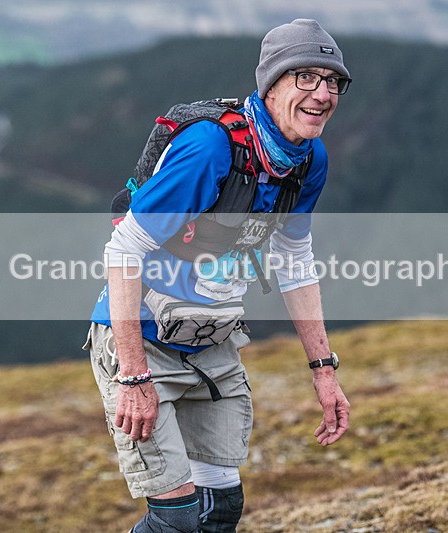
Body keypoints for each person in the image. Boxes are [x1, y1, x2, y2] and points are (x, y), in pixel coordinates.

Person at [84, 18, 352, 533]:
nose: (323, 94)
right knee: (178, 520)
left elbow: (295, 261)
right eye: (307, 78)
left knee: (220, 510)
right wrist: (134, 375)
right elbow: (123, 251)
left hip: (211, 339)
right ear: (271, 83)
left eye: (333, 81)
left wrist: (324, 371)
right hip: (142, 342)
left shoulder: (307, 159)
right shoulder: (210, 148)